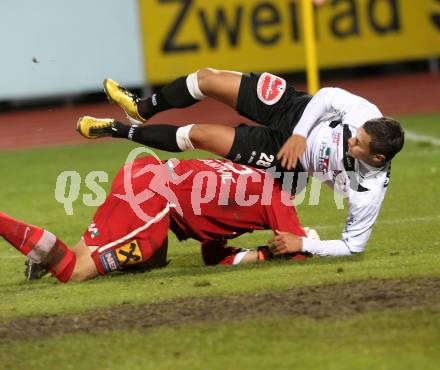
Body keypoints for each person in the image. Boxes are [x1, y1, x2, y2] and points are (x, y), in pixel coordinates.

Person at [77, 68, 405, 257]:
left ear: (377, 158)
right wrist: (302, 133)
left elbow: (353, 246)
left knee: (200, 135)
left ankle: (117, 130)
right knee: (207, 79)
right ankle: (142, 106)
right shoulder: (367, 114)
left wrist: (302, 242)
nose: (350, 140)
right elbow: (326, 96)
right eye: (354, 134)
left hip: (286, 161)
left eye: (357, 143)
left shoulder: (369, 190)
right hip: (294, 109)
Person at [1, 155, 313, 283]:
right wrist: (311, 241)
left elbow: (212, 253)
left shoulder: (248, 175)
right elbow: (297, 250)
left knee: (152, 261)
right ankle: (47, 252)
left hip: (144, 177)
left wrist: (260, 254)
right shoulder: (277, 195)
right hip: (151, 200)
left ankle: (48, 253)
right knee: (73, 271)